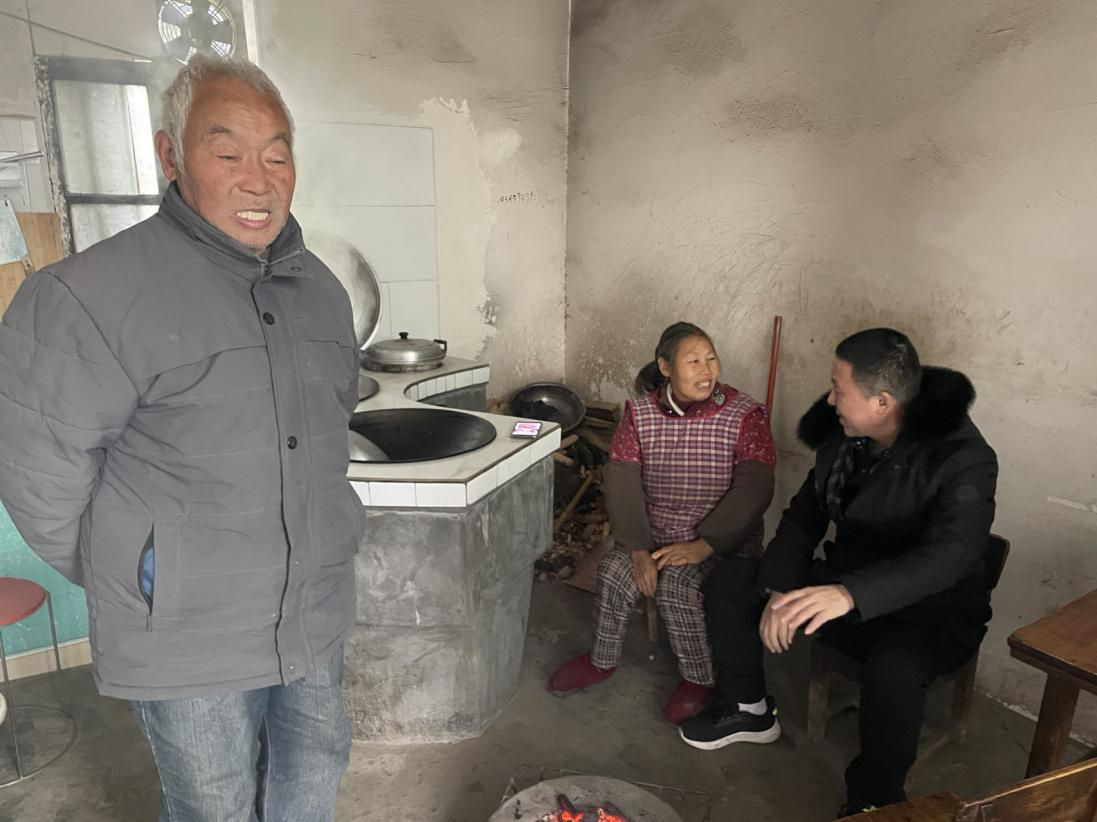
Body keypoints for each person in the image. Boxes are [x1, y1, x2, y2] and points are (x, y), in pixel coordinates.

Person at [0, 55, 363, 822]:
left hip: (311, 608)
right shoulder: (87, 296)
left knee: (312, 772)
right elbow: (39, 478)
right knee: (213, 804)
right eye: (227, 153)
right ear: (171, 155)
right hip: (187, 630)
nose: (258, 181)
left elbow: (327, 439)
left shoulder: (322, 293)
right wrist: (147, 576)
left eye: (277, 155)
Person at [680, 328, 998, 817]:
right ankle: (747, 707)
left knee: (895, 669)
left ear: (882, 402)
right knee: (732, 581)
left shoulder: (962, 459)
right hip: (844, 586)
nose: (829, 400)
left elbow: (950, 556)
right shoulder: (845, 440)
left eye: (839, 389)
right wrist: (779, 588)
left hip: (933, 610)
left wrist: (849, 593)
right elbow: (804, 516)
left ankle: (875, 800)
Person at [548, 322, 776, 724]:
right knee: (614, 570)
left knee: (676, 585)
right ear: (666, 367)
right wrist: (638, 548)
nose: (706, 370)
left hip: (720, 542)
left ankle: (697, 679)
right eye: (693, 361)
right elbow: (622, 481)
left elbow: (755, 487)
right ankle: (601, 660)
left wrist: (707, 543)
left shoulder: (744, 414)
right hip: (654, 536)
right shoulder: (639, 415)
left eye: (711, 359)